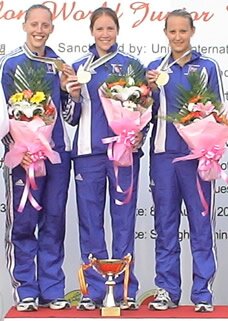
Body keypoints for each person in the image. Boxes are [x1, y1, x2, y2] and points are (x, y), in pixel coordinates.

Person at [62, 7, 147, 311]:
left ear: (117, 31)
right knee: (90, 223)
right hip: (87, 156)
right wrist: (71, 97)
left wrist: (139, 137)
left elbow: (143, 114)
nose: (105, 34)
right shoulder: (76, 68)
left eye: (110, 29)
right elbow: (70, 118)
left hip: (123, 155)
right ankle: (94, 291)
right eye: (100, 29)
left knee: (123, 223)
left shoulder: (132, 66)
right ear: (92, 31)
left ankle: (125, 290)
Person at [146, 9, 224, 313]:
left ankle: (202, 293)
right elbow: (143, 116)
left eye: (183, 31)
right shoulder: (154, 69)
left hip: (198, 159)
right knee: (165, 225)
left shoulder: (207, 67)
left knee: (201, 225)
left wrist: (210, 149)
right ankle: (167, 289)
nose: (178, 37)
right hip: (164, 156)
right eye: (172, 32)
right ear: (165, 34)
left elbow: (218, 114)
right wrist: (145, 95)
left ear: (192, 32)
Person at [0, 4, 73, 312]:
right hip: (24, 160)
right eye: (35, 24)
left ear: (52, 28)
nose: (40, 30)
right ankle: (26, 289)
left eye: (45, 25)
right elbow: (3, 114)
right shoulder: (10, 63)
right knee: (23, 224)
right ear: (25, 25)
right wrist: (16, 149)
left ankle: (52, 289)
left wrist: (74, 93)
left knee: (54, 222)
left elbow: (70, 114)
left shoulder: (59, 64)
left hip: (56, 155)